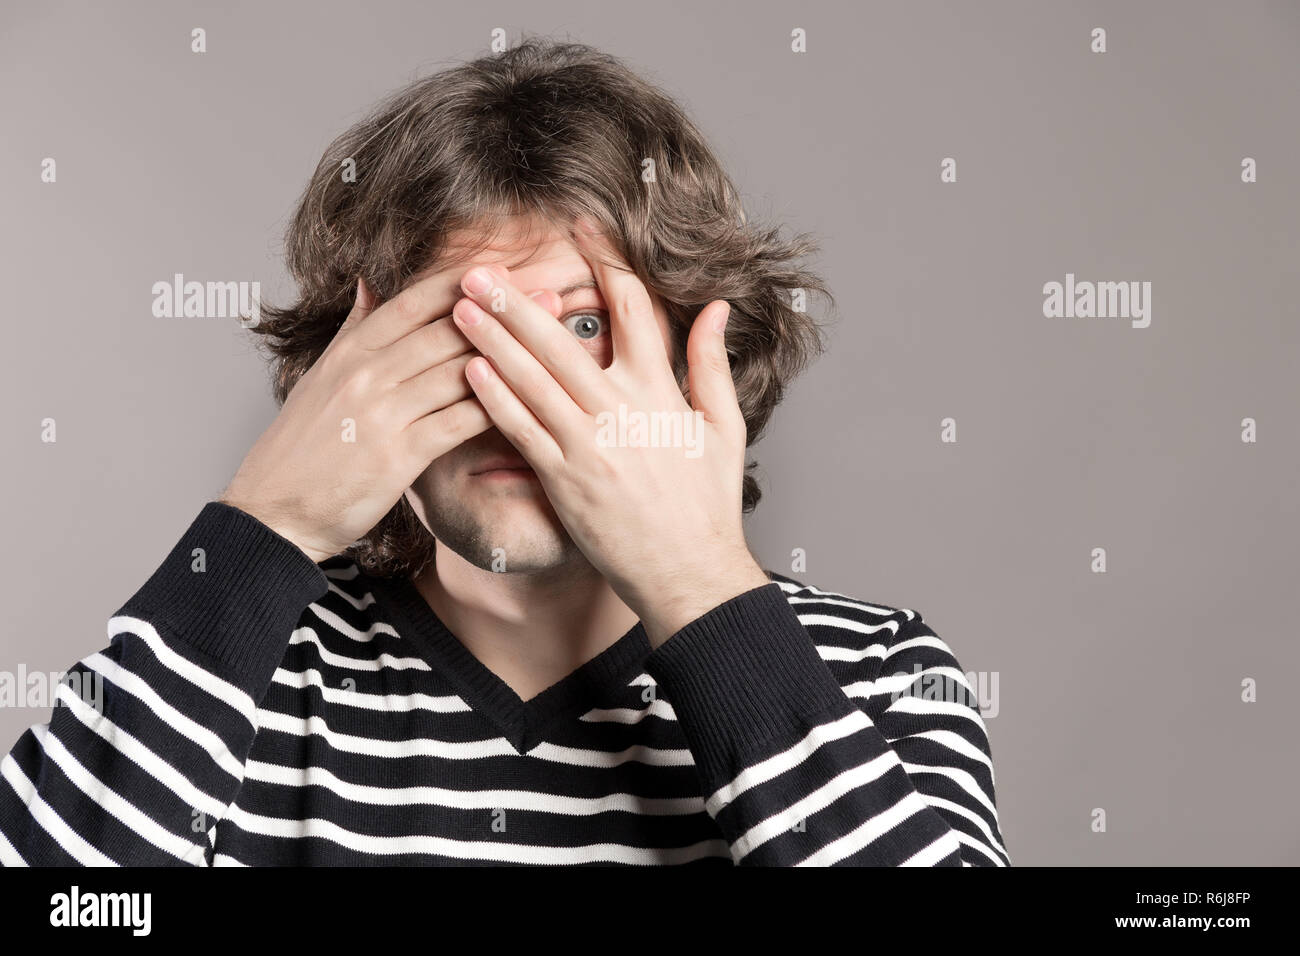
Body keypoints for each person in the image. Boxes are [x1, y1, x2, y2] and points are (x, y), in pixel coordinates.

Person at [0, 38, 1009, 866]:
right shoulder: (237, 683)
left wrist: (696, 576)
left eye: (579, 328)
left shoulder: (876, 672)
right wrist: (267, 522)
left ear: (704, 354)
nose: (515, 396)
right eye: (458, 330)